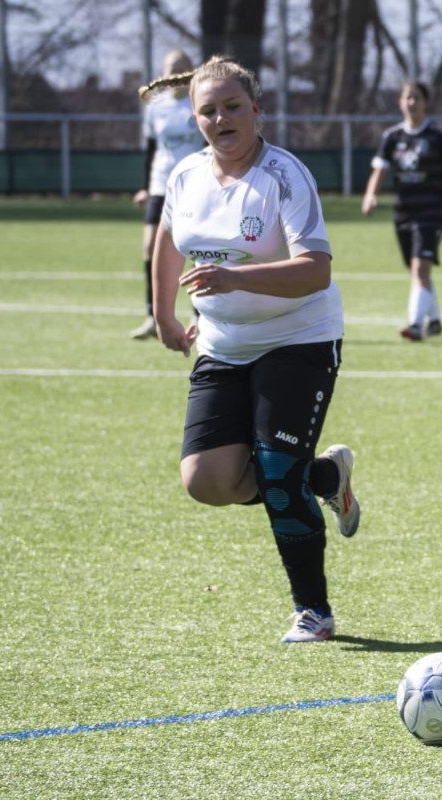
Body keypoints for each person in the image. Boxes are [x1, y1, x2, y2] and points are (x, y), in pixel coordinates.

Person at [146, 55, 361, 644]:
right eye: (208, 111)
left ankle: (314, 612)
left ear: (257, 109)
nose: (221, 119)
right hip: (221, 342)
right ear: (195, 120)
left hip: (299, 337)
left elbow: (315, 271)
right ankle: (324, 476)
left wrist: (236, 278)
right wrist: (163, 312)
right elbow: (168, 242)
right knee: (206, 481)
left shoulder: (285, 176)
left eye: (232, 106)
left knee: (273, 471)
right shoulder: (186, 176)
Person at [361, 80, 442, 341]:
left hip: (431, 212)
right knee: (416, 270)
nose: (411, 102)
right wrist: (371, 195)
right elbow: (380, 171)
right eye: (407, 97)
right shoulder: (392, 138)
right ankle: (435, 320)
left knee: (420, 269)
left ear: (425, 102)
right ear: (400, 102)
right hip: (403, 212)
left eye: (416, 98)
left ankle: (415, 325)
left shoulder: (438, 138)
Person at [129, 49, 205, 340]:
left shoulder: (198, 103)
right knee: (150, 247)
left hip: (194, 185)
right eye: (169, 69)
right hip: (161, 185)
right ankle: (153, 315)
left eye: (181, 68)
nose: (174, 75)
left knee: (198, 249)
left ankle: (200, 315)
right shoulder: (155, 106)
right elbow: (151, 149)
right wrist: (144, 186)